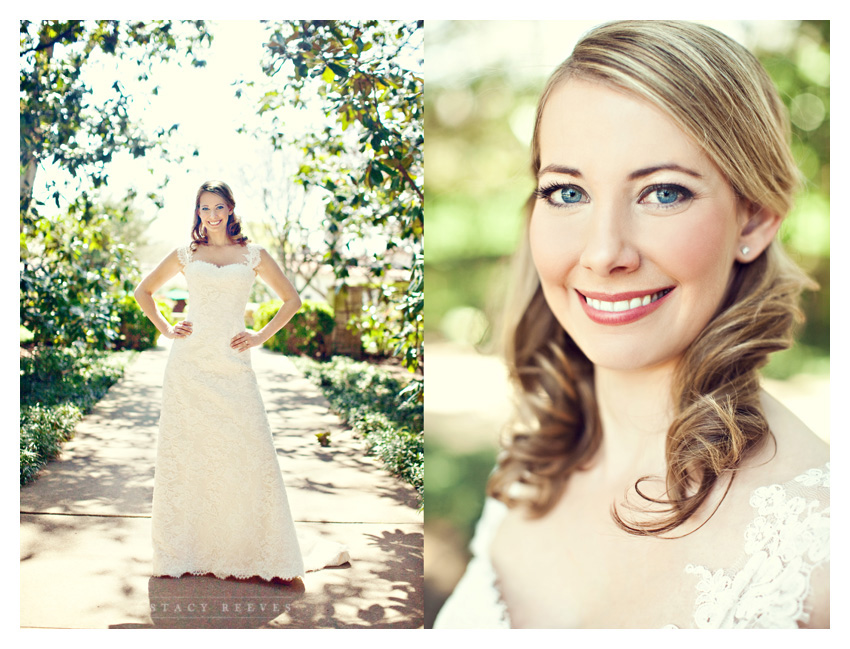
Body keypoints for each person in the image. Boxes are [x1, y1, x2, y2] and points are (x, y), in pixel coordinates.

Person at [433, 21, 829, 629]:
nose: (603, 253)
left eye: (663, 192)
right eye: (567, 192)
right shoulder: (526, 470)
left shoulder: (825, 545)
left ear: (753, 221)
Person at [134, 180, 349, 582]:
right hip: (189, 365)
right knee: (189, 455)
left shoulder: (254, 255)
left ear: (231, 208)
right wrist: (165, 328)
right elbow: (143, 291)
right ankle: (186, 550)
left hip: (233, 363)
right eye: (203, 208)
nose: (211, 215)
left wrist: (258, 336)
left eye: (218, 207)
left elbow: (292, 300)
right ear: (197, 212)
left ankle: (249, 550)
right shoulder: (187, 253)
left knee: (246, 448)